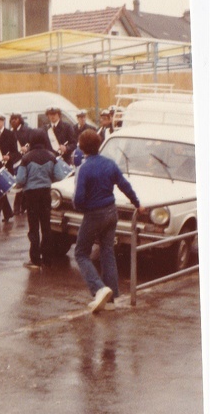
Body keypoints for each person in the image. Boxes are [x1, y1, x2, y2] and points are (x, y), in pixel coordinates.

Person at [73, 129, 143, 313]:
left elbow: (78, 198)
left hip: (94, 213)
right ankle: (111, 300)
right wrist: (137, 204)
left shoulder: (84, 168)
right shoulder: (110, 164)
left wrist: (83, 209)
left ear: (81, 147)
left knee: (80, 253)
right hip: (112, 211)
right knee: (107, 252)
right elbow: (124, 185)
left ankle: (98, 288)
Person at [14, 128, 69, 269]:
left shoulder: (26, 158)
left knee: (33, 227)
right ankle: (47, 259)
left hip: (31, 196)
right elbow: (60, 176)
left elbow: (20, 180)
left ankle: (35, 259)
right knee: (46, 226)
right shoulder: (51, 157)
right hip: (46, 194)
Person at [9, 112, 31, 216]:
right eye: (12, 119)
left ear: (20, 120)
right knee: (19, 184)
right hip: (15, 161)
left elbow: (33, 143)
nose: (13, 121)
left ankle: (21, 207)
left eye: (16, 119)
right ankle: (19, 208)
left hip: (26, 160)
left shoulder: (27, 130)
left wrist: (27, 148)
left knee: (24, 183)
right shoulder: (11, 133)